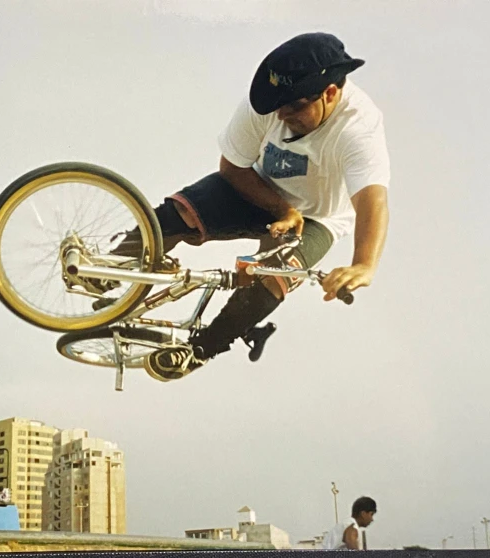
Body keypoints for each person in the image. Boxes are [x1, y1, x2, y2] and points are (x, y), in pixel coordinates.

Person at [114, 32, 390, 381]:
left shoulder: (358, 128)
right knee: (181, 212)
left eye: (294, 108)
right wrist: (281, 209)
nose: (284, 116)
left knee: (275, 278)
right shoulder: (266, 105)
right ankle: (111, 266)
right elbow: (232, 168)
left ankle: (200, 350)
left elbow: (372, 199)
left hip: (317, 217)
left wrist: (364, 264)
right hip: (258, 188)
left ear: (330, 93)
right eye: (278, 108)